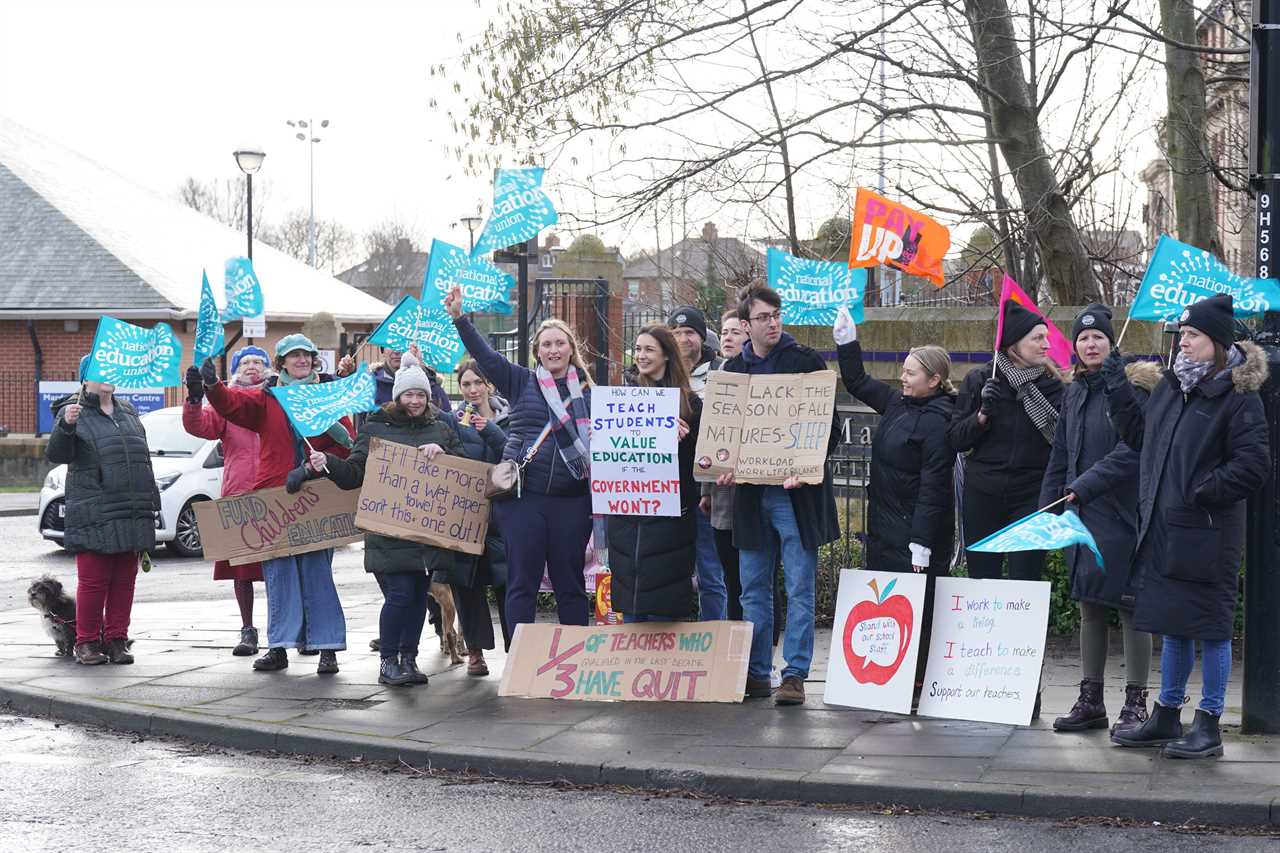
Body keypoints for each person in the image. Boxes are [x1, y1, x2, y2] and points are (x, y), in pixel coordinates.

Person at [1106, 295, 1269, 759]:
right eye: (1182, 335)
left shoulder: (1238, 397)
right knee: (1173, 625)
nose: (1183, 343)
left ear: (1216, 342)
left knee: (1211, 629)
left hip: (1208, 534)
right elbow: (1141, 439)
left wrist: (1200, 489)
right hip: (1166, 529)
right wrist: (1117, 390)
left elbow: (1254, 465)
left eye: (1193, 335)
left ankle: (1210, 724)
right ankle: (1165, 715)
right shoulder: (1173, 387)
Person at [201, 333, 355, 674]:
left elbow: (349, 447)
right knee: (279, 576)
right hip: (275, 495)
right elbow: (232, 405)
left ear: (314, 361)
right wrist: (212, 383)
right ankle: (280, 646)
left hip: (316, 495)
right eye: (293, 356)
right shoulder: (266, 399)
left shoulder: (327, 398)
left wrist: (318, 463)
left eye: (306, 355)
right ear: (282, 362)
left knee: (317, 574)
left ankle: (326, 646)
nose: (301, 360)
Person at [444, 285, 595, 629]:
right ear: (536, 352)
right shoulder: (520, 381)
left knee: (570, 585)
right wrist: (460, 319)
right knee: (521, 583)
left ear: (571, 349)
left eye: (560, 343)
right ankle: (519, 666)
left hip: (572, 501)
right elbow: (485, 357)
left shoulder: (591, 394)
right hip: (523, 500)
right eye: (547, 344)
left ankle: (574, 663)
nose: (554, 349)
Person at [1039, 305, 1159, 737]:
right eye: (1083, 339)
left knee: (1131, 610)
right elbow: (1062, 453)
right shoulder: (1073, 392)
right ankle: (1091, 701)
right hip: (1082, 515)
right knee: (1090, 606)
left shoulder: (1132, 389)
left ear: (1112, 343)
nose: (1090, 344)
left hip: (1125, 515)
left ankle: (1135, 703)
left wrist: (1085, 485)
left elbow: (1134, 451)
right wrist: (1050, 506)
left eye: (1098, 338)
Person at [311, 350, 464, 687]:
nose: (415, 400)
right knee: (400, 596)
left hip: (427, 535)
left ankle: (408, 659)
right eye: (408, 394)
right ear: (397, 395)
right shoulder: (377, 427)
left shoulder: (441, 428)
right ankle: (388, 662)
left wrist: (445, 456)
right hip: (388, 533)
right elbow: (354, 473)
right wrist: (328, 464)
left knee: (418, 599)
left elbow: (463, 470)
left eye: (420, 394)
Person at [720, 286, 840, 706]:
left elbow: (831, 429)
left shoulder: (805, 362)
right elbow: (723, 436)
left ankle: (794, 675)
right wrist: (723, 467)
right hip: (752, 498)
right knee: (752, 588)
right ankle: (756, 672)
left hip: (795, 497)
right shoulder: (733, 371)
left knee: (800, 587)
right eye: (764, 317)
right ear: (746, 324)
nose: (773, 323)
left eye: (777, 315)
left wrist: (805, 467)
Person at [833, 306, 955, 692]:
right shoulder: (897, 403)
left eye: (910, 372)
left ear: (934, 380)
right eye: (902, 369)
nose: (902, 376)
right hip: (885, 523)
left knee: (920, 604)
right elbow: (856, 380)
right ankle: (889, 675)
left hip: (916, 530)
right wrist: (847, 341)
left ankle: (920, 676)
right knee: (887, 604)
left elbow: (935, 485)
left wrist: (922, 541)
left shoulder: (939, 420)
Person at [46, 356, 160, 665]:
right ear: (86, 379)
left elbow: (141, 460)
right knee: (94, 581)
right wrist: (66, 426)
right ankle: (86, 643)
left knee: (125, 580)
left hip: (131, 509)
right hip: (94, 510)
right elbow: (56, 453)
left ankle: (117, 640)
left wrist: (152, 502)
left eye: (112, 371)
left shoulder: (128, 411)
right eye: (100, 372)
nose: (108, 377)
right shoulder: (72, 411)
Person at [948, 299, 1065, 582]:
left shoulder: (1054, 386)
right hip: (983, 493)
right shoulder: (980, 379)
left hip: (1032, 494)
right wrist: (982, 415)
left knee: (1025, 578)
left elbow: (1064, 443)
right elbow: (955, 439)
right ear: (1014, 344)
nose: (1046, 345)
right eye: (1037, 338)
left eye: (1046, 338)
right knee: (982, 578)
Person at [182, 345, 272, 658]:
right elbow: (200, 426)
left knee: (280, 569)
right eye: (245, 362)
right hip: (240, 494)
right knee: (242, 570)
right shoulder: (227, 403)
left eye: (258, 362)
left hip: (277, 493)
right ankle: (248, 629)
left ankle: (285, 629)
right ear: (235, 370)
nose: (252, 366)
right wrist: (195, 399)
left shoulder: (277, 397)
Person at [610, 326, 701, 621]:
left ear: (666, 355)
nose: (641, 356)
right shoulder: (624, 399)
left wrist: (681, 441)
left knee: (665, 606)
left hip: (670, 518)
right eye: (637, 349)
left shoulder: (689, 403)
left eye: (649, 349)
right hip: (630, 517)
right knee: (632, 601)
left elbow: (698, 465)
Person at [445, 358, 513, 673]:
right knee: (467, 585)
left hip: (502, 517)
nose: (473, 390)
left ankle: (517, 652)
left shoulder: (510, 419)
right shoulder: (453, 421)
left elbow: (515, 457)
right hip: (466, 518)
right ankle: (475, 651)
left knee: (508, 585)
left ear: (490, 385)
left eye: (477, 383)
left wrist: (491, 431)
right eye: (466, 384)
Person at [668, 305, 728, 620]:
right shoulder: (656, 376)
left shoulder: (722, 372)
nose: (682, 339)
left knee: (711, 574)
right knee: (669, 573)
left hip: (708, 490)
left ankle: (712, 642)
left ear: (702, 337)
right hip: (666, 491)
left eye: (689, 332)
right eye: (676, 333)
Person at [373, 347, 451, 412]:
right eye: (391, 345)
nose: (397, 351)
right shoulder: (370, 385)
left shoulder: (433, 386)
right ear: (383, 352)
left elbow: (448, 424)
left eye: (402, 345)